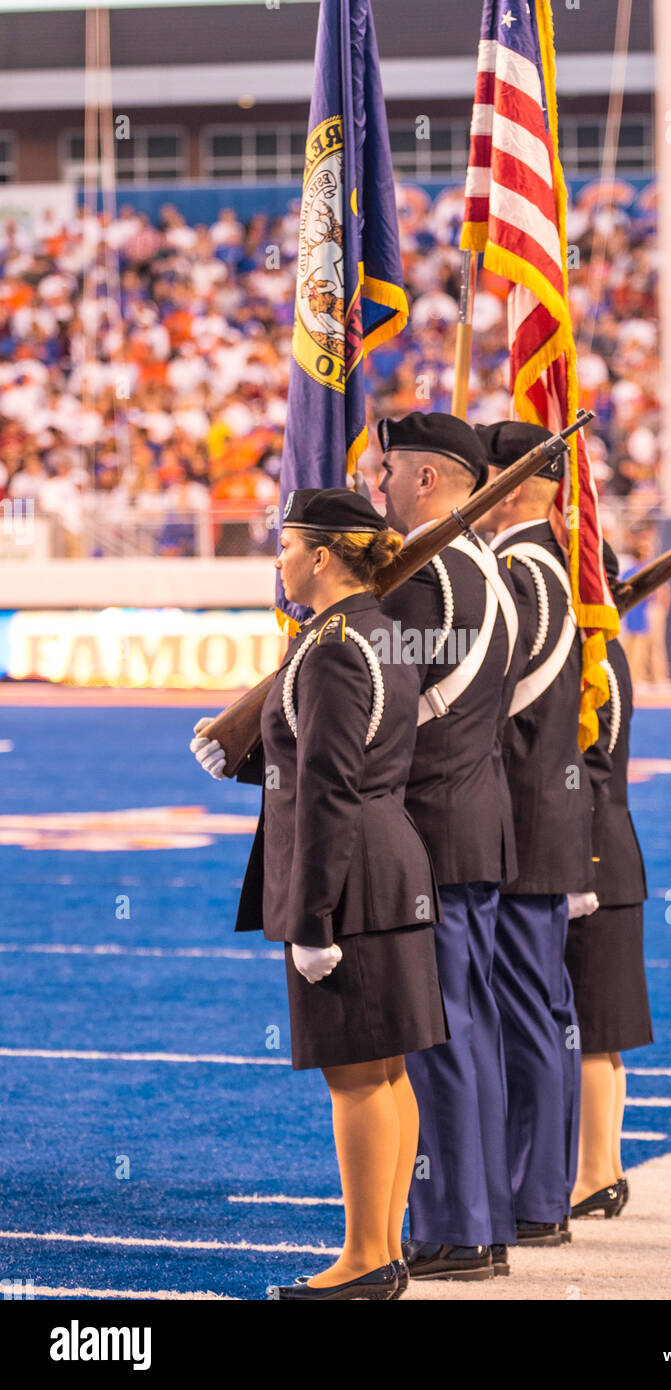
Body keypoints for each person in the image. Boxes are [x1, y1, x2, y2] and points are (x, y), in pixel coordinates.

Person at [190, 487, 448, 1300]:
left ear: (323, 555)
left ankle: (364, 1258)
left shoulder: (334, 644)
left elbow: (332, 784)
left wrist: (311, 920)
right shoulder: (370, 630)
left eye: (288, 544)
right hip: (384, 863)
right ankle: (385, 1247)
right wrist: (242, 755)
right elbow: (325, 754)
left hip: (352, 877)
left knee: (357, 1074)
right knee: (385, 1069)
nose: (279, 559)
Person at [377, 411, 522, 1281]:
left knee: (438, 1034)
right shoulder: (486, 571)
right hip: (475, 821)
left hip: (429, 827)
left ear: (427, 479)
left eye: (389, 470)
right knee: (468, 1029)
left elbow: (381, 706)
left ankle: (456, 1225)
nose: (380, 485)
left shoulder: (424, 575)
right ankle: (481, 1218)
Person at [477, 420, 594, 1247]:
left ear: (511, 486)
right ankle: (542, 1191)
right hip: (545, 818)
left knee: (525, 1015)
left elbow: (491, 697)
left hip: (519, 819)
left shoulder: (519, 571)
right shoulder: (547, 565)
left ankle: (533, 1195)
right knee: (543, 1012)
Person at [566, 542, 653, 1219]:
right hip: (613, 852)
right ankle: (606, 1166)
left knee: (593, 1027)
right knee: (603, 1028)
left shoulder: (592, 661)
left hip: (591, 857)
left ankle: (594, 1172)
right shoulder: (608, 655)